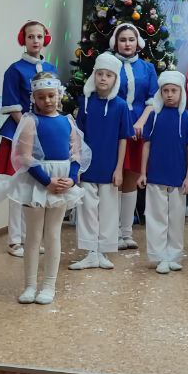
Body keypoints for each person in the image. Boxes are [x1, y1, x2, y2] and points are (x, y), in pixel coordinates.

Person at [9, 73, 89, 305]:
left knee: (53, 234)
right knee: (33, 236)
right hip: (37, 181)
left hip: (62, 182)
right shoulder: (30, 121)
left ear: (59, 95)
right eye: (41, 97)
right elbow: (24, 156)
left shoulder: (67, 121)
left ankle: (49, 285)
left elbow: (76, 154)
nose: (47, 101)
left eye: (51, 95)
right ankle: (30, 285)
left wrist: (71, 179)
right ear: (34, 98)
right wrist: (46, 181)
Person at [0, 21, 58, 257]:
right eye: (31, 36)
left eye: (39, 36)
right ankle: (14, 240)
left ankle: (30, 238)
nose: (35, 41)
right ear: (23, 39)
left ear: (45, 39)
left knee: (34, 186)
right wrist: (28, 129)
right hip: (18, 133)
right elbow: (13, 106)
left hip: (43, 133)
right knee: (18, 185)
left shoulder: (51, 68)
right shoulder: (14, 70)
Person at [71, 53, 131, 272]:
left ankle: (103, 252)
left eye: (108, 75)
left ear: (115, 79)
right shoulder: (85, 102)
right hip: (88, 167)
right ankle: (90, 252)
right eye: (100, 74)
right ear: (94, 75)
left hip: (109, 167)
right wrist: (77, 164)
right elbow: (77, 136)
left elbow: (123, 138)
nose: (103, 78)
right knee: (87, 209)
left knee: (108, 210)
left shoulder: (121, 106)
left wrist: (119, 169)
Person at [140, 70, 188, 274]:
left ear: (181, 92)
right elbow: (146, 145)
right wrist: (143, 173)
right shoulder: (154, 116)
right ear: (160, 93)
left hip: (178, 177)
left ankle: (173, 255)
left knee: (176, 217)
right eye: (166, 91)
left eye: (174, 90)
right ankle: (159, 256)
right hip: (156, 175)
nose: (170, 94)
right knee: (156, 217)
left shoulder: (187, 118)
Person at [112, 22, 159, 250]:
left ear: (138, 42)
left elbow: (153, 99)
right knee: (114, 178)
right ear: (116, 43)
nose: (127, 44)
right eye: (123, 40)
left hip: (139, 126)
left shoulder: (147, 68)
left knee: (131, 176)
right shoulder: (109, 64)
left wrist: (141, 121)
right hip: (114, 126)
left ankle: (126, 232)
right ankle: (111, 232)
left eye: (131, 39)